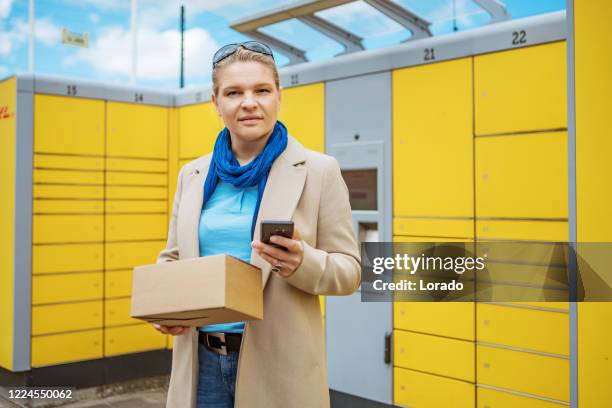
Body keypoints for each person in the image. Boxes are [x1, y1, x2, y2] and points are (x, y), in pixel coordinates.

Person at [152, 41, 361, 408]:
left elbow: (350, 271)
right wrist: (166, 309)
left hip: (280, 366)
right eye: (233, 92)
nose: (249, 102)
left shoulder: (319, 171)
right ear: (216, 103)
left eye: (261, 90)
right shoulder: (193, 175)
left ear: (279, 96)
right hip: (200, 364)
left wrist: (302, 263)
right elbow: (172, 258)